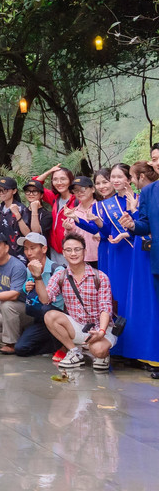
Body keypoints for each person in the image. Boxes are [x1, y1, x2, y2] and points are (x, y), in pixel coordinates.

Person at [34, 231, 117, 371]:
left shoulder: (100, 277)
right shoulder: (60, 275)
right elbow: (45, 299)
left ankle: (101, 354)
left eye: (77, 249)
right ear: (64, 253)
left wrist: (101, 331)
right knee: (49, 315)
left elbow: (105, 308)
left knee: (98, 350)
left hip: (100, 327)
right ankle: (74, 352)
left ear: (85, 251)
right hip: (78, 325)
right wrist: (37, 277)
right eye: (69, 250)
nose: (73, 253)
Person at [123, 161, 159, 376]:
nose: (154, 163)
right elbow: (145, 224)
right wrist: (132, 225)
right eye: (154, 159)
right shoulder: (149, 191)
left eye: (156, 158)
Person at [14, 233, 65, 357]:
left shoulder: (57, 270)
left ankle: (61, 343)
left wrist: (38, 278)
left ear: (44, 249)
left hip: (57, 317)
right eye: (26, 249)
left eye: (32, 248)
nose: (28, 252)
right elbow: (27, 290)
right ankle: (53, 345)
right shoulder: (29, 268)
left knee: (47, 308)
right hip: (38, 317)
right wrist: (26, 288)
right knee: (21, 349)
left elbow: (47, 299)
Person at [31, 163, 77, 263]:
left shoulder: (77, 200)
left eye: (63, 179)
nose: (59, 182)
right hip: (55, 249)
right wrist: (50, 171)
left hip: (71, 249)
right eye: (55, 179)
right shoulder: (55, 198)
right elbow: (35, 184)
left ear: (70, 180)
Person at [62, 176, 102, 267]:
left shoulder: (101, 208)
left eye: (83, 188)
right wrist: (68, 229)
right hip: (80, 259)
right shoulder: (73, 212)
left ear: (92, 189)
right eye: (76, 190)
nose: (79, 192)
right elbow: (70, 238)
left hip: (100, 256)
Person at [20, 179, 54, 244]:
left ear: (41, 195)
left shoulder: (47, 215)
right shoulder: (22, 211)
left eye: (35, 191)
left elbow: (35, 233)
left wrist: (34, 210)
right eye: (28, 191)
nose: (31, 194)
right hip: (24, 249)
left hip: (41, 250)